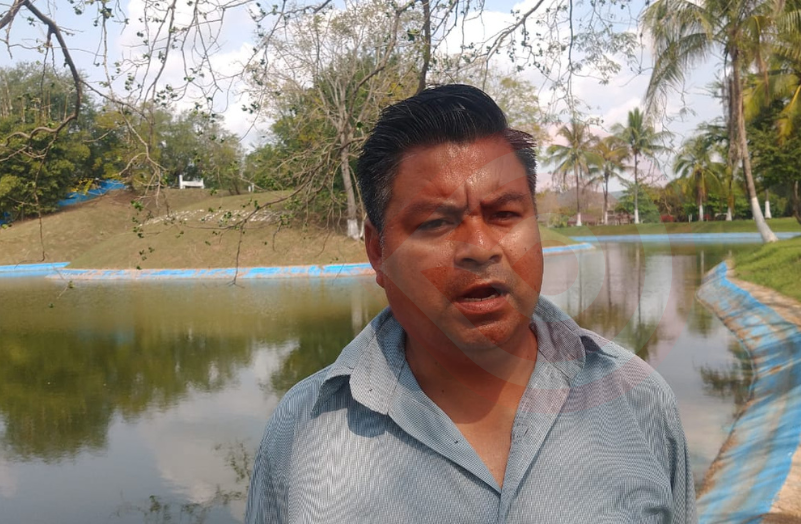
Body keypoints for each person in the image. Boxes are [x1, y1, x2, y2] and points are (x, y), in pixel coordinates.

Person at [245, 84, 696, 523]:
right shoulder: (301, 431)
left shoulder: (637, 399)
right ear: (377, 251)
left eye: (504, 214)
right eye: (436, 222)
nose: (480, 249)